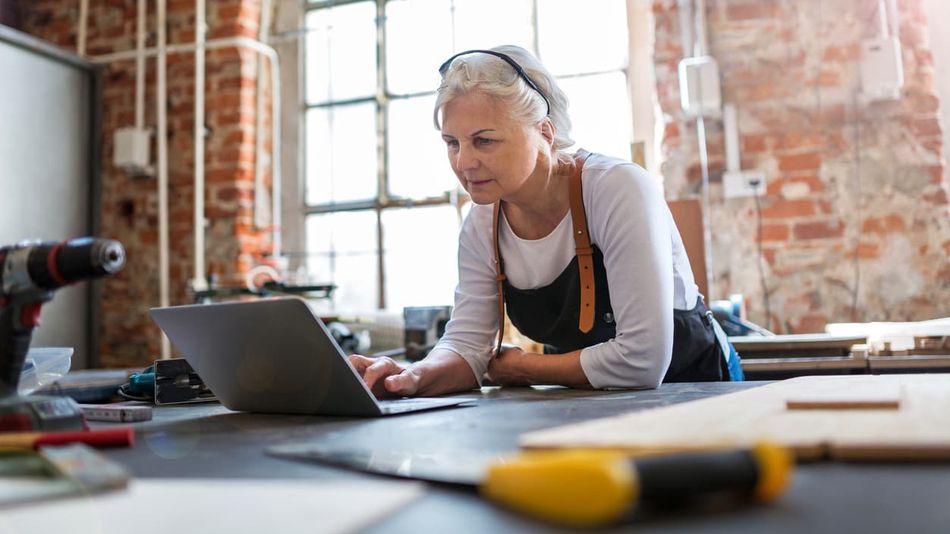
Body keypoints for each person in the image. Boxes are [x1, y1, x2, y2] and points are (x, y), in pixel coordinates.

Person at [348, 45, 742, 399]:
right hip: (588, 405)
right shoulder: (482, 222)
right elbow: (467, 347)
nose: (463, 162)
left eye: (484, 140)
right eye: (452, 143)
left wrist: (524, 368)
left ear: (545, 132)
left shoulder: (616, 188)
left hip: (699, 394)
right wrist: (412, 376)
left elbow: (642, 361)